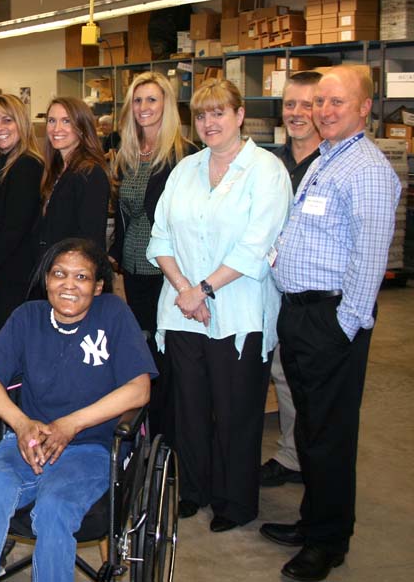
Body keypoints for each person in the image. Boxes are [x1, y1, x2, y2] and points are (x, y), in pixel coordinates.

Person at [263, 66, 401, 582]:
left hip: (330, 319)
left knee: (330, 436)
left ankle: (329, 543)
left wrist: (344, 327)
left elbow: (369, 258)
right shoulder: (327, 158)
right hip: (302, 312)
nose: (322, 111)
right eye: (319, 102)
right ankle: (312, 520)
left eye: (335, 102)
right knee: (311, 431)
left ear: (365, 108)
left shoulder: (365, 168)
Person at [0, 238, 156, 582]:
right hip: (29, 441)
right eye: (59, 274)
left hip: (91, 446)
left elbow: (139, 389)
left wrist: (70, 425)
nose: (68, 285)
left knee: (55, 506)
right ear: (47, 279)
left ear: (98, 286)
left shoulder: (113, 314)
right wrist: (20, 424)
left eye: (81, 277)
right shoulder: (27, 317)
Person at [147, 78, 291, 533]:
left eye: (219, 113)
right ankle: (194, 489)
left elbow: (256, 246)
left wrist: (203, 290)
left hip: (238, 313)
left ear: (239, 115)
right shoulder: (185, 169)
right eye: (202, 115)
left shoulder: (267, 171)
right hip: (183, 310)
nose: (209, 123)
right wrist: (185, 288)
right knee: (189, 407)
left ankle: (235, 501)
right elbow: (160, 236)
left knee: (236, 411)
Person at [110, 71, 195, 444]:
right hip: (133, 271)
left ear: (167, 106)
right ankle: (147, 432)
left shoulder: (184, 154)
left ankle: (169, 441)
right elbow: (124, 213)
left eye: (152, 100)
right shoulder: (128, 153)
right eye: (138, 100)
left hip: (167, 273)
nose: (144, 108)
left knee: (169, 359)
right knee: (142, 358)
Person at [259, 70, 323, 489]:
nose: (298, 113)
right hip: (268, 288)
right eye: (290, 104)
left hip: (314, 298)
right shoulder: (272, 163)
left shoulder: (331, 164)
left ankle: (310, 460)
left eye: (308, 104)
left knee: (311, 385)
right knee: (280, 375)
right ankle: (290, 453)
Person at [0, 93, 44, 341]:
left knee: (8, 348)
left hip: (19, 276)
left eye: (7, 120)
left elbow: (15, 228)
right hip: (6, 273)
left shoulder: (26, 166)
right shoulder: (2, 164)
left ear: (21, 123)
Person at [36, 96, 110, 260]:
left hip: (72, 274)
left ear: (82, 127)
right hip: (50, 267)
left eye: (66, 121)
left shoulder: (90, 173)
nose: (57, 128)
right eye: (52, 120)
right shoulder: (54, 169)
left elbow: (90, 240)